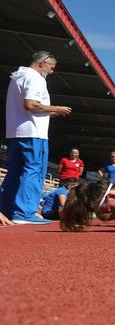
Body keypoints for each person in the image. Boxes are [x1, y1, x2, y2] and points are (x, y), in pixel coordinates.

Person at [0, 51, 72, 224]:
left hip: (17, 131)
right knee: (34, 170)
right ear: (42, 63)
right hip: (34, 133)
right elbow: (30, 104)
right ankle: (24, 213)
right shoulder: (36, 78)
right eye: (51, 67)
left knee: (15, 171)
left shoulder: (17, 77)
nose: (52, 71)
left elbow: (27, 108)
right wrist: (57, 108)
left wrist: (51, 112)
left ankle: (6, 209)